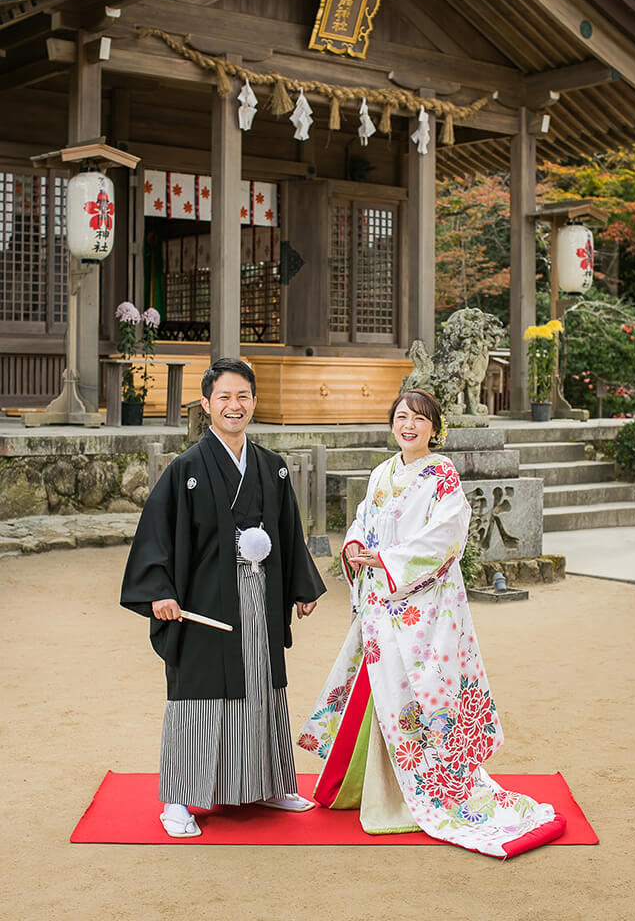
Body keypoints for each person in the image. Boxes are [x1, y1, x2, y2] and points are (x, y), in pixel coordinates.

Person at [299, 389, 565, 859]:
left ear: (434, 429)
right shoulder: (382, 472)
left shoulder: (442, 474)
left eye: (420, 419)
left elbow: (446, 537)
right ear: (392, 424)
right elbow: (363, 518)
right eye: (401, 417)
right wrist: (357, 547)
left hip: (425, 609)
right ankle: (372, 787)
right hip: (382, 600)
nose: (409, 426)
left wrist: (384, 559)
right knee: (379, 689)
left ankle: (411, 793)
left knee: (415, 694)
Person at [121, 357, 326, 837]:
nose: (234, 406)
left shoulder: (271, 468)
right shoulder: (187, 469)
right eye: (224, 398)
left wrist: (300, 586)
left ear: (254, 402)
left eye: (243, 397)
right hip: (207, 600)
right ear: (207, 405)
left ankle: (269, 784)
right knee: (199, 694)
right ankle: (179, 799)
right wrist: (159, 592)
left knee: (261, 686)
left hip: (262, 595)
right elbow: (158, 534)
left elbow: (289, 533)